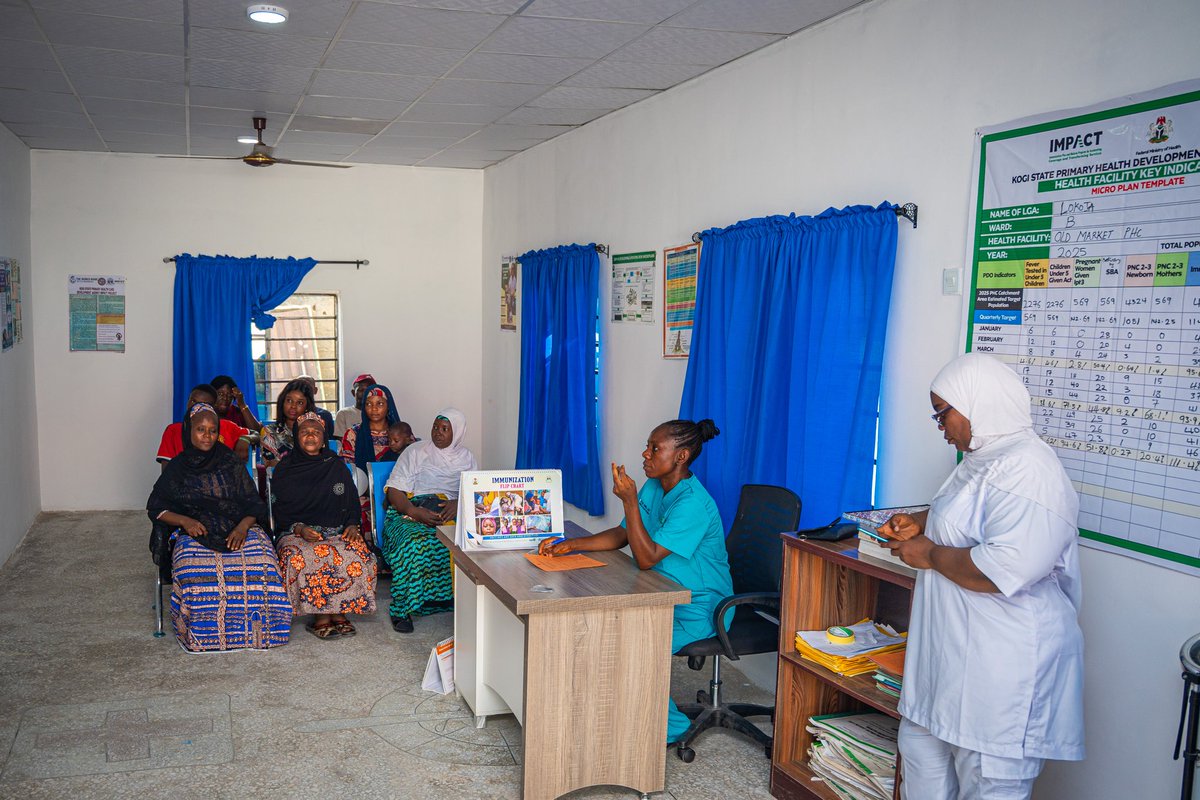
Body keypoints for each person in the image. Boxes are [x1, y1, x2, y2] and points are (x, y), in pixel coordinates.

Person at [876, 353, 1084, 800]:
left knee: (988, 782)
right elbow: (970, 515)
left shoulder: (1031, 468)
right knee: (920, 755)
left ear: (980, 403)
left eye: (942, 412)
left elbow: (1008, 566)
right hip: (948, 661)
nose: (939, 424)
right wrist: (918, 521)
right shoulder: (982, 457)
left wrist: (928, 552)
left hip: (1000, 668)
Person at [537, 418, 731, 744]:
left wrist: (628, 499)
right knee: (604, 633)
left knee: (629, 647)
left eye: (655, 449)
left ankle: (673, 729)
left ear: (681, 456)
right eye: (648, 445)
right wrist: (571, 544)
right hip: (656, 592)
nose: (645, 454)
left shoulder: (693, 503)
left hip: (699, 607)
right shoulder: (656, 485)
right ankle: (613, 708)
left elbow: (646, 556)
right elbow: (626, 532)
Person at [147, 402, 291, 652]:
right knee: (195, 573)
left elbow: (253, 504)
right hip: (196, 530)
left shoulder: (229, 461)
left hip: (240, 526)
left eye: (212, 430)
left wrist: (243, 527)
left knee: (265, 566)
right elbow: (156, 507)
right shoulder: (179, 467)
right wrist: (185, 521)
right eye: (200, 429)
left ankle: (261, 635)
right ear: (188, 431)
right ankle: (204, 636)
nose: (207, 435)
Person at [273, 412, 378, 639]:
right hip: (297, 532)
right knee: (302, 557)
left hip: (337, 529)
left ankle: (340, 611)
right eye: (305, 432)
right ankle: (320, 616)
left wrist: (352, 525)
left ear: (323, 438)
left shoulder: (336, 465)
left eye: (316, 432)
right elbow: (278, 510)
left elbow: (350, 501)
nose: (311, 436)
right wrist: (299, 529)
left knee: (358, 553)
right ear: (296, 436)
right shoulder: (285, 469)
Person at [382, 408, 478, 633]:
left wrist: (459, 504)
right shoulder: (415, 451)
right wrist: (414, 511)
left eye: (445, 429)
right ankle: (402, 610)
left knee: (470, 543)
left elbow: (475, 492)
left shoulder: (467, 458)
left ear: (458, 432)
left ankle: (449, 600)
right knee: (414, 544)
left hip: (452, 512)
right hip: (411, 508)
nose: (438, 432)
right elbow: (394, 491)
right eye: (436, 427)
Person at [156, 383, 250, 468]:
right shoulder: (173, 430)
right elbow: (166, 473)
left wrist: (245, 439)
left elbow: (256, 433)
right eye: (193, 401)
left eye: (205, 404)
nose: (196, 407)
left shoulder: (227, 426)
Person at [260, 379, 316, 464]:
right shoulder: (269, 432)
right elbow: (270, 466)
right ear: (282, 402)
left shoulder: (315, 432)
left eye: (300, 403)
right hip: (280, 476)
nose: (293, 406)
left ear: (307, 407)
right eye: (289, 401)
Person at [334, 372, 375, 439]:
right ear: (353, 393)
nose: (365, 394)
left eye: (368, 390)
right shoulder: (343, 414)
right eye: (361, 390)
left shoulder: (379, 414)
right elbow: (341, 441)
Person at [296, 374, 336, 441]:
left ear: (315, 390)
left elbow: (330, 442)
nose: (304, 391)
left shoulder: (325, 415)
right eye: (300, 388)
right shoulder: (291, 414)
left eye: (308, 388)